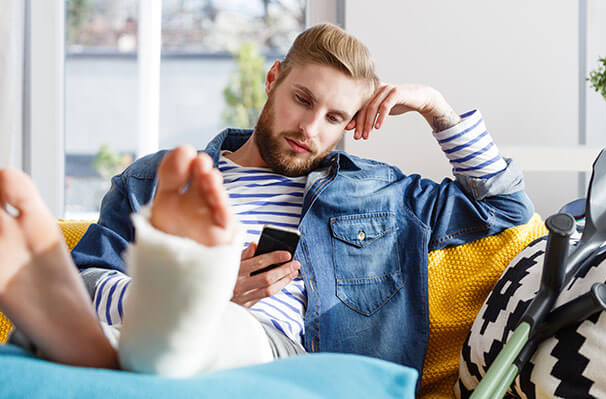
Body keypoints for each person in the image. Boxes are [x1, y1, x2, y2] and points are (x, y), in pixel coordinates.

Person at [1, 23, 533, 377]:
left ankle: (168, 311)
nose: (310, 128)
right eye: (303, 100)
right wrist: (217, 288)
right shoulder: (160, 178)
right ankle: (163, 312)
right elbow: (90, 279)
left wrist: (436, 108)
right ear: (272, 78)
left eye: (334, 118)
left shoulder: (381, 193)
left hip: (284, 361)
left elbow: (507, 211)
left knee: (220, 327)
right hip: (150, 337)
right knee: (35, 335)